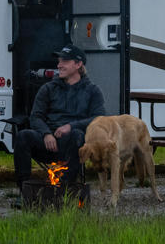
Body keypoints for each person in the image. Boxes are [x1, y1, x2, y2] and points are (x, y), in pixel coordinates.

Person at [13, 45, 106, 187]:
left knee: (77, 135)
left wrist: (70, 126)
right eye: (59, 61)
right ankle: (24, 189)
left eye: (65, 61)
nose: (59, 65)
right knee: (23, 136)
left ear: (78, 64)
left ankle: (65, 188)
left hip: (73, 144)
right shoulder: (48, 88)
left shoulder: (92, 90)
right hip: (47, 142)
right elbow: (35, 117)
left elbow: (99, 118)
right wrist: (46, 134)